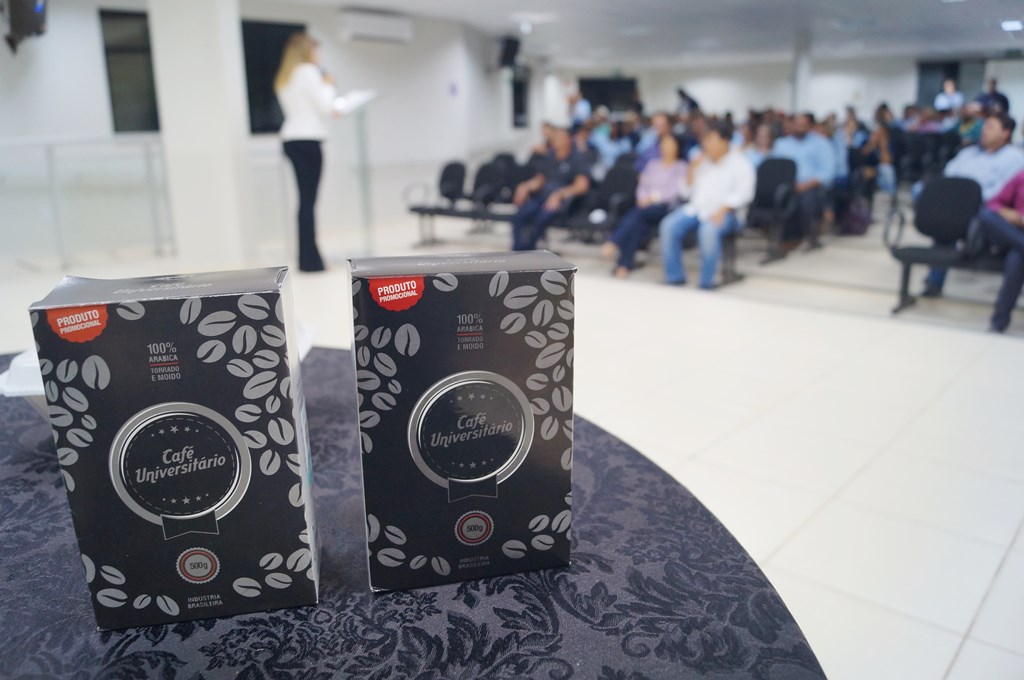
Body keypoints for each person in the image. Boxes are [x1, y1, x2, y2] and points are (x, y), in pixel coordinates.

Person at [922, 113, 1024, 296]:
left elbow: (999, 193)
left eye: (990, 127)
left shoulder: (1014, 158)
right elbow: (948, 175)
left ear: (1006, 132)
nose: (984, 131)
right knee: (937, 209)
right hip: (953, 205)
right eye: (984, 126)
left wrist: (968, 197)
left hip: (983, 209)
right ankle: (934, 282)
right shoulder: (968, 153)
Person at [659, 121, 755, 289]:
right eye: (704, 140)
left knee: (708, 230)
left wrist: (723, 209)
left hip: (727, 213)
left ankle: (707, 281)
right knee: (668, 225)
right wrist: (691, 170)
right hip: (697, 210)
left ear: (724, 141)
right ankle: (675, 276)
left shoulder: (741, 164)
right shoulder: (701, 162)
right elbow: (685, 193)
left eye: (710, 140)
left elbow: (744, 195)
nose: (706, 144)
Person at [274, 32, 339, 272]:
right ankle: (311, 261)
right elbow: (325, 107)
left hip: (291, 140)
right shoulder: (309, 72)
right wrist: (328, 85)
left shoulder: (286, 75)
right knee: (309, 202)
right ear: (307, 51)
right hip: (308, 140)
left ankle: (307, 258)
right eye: (315, 50)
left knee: (304, 201)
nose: (317, 55)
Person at [602, 134, 688, 277]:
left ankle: (615, 241)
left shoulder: (681, 167)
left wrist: (652, 198)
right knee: (638, 223)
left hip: (665, 207)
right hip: (645, 207)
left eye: (670, 144)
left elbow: (674, 192)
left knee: (638, 214)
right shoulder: (653, 164)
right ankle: (624, 265)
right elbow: (643, 185)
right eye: (664, 144)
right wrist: (643, 198)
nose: (666, 148)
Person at [510, 127, 590, 251]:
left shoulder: (576, 158)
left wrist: (560, 194)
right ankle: (517, 250)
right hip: (543, 197)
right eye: (555, 138)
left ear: (568, 139)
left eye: (560, 138)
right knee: (520, 215)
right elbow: (540, 180)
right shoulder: (550, 156)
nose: (557, 141)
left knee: (541, 218)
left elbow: (582, 186)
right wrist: (525, 186)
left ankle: (529, 249)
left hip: (563, 201)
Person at [771, 112, 834, 249]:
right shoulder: (782, 144)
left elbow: (826, 172)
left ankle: (810, 236)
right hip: (787, 185)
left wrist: (805, 185)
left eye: (803, 124)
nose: (799, 127)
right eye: (796, 124)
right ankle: (785, 239)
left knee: (807, 200)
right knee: (778, 198)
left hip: (811, 186)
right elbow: (775, 167)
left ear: (810, 126)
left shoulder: (821, 143)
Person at [977, 170, 1024, 332]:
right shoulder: (1021, 176)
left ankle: (999, 322)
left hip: (1017, 245)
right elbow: (993, 203)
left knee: (1016, 259)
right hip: (1015, 231)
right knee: (985, 215)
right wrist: (1010, 214)